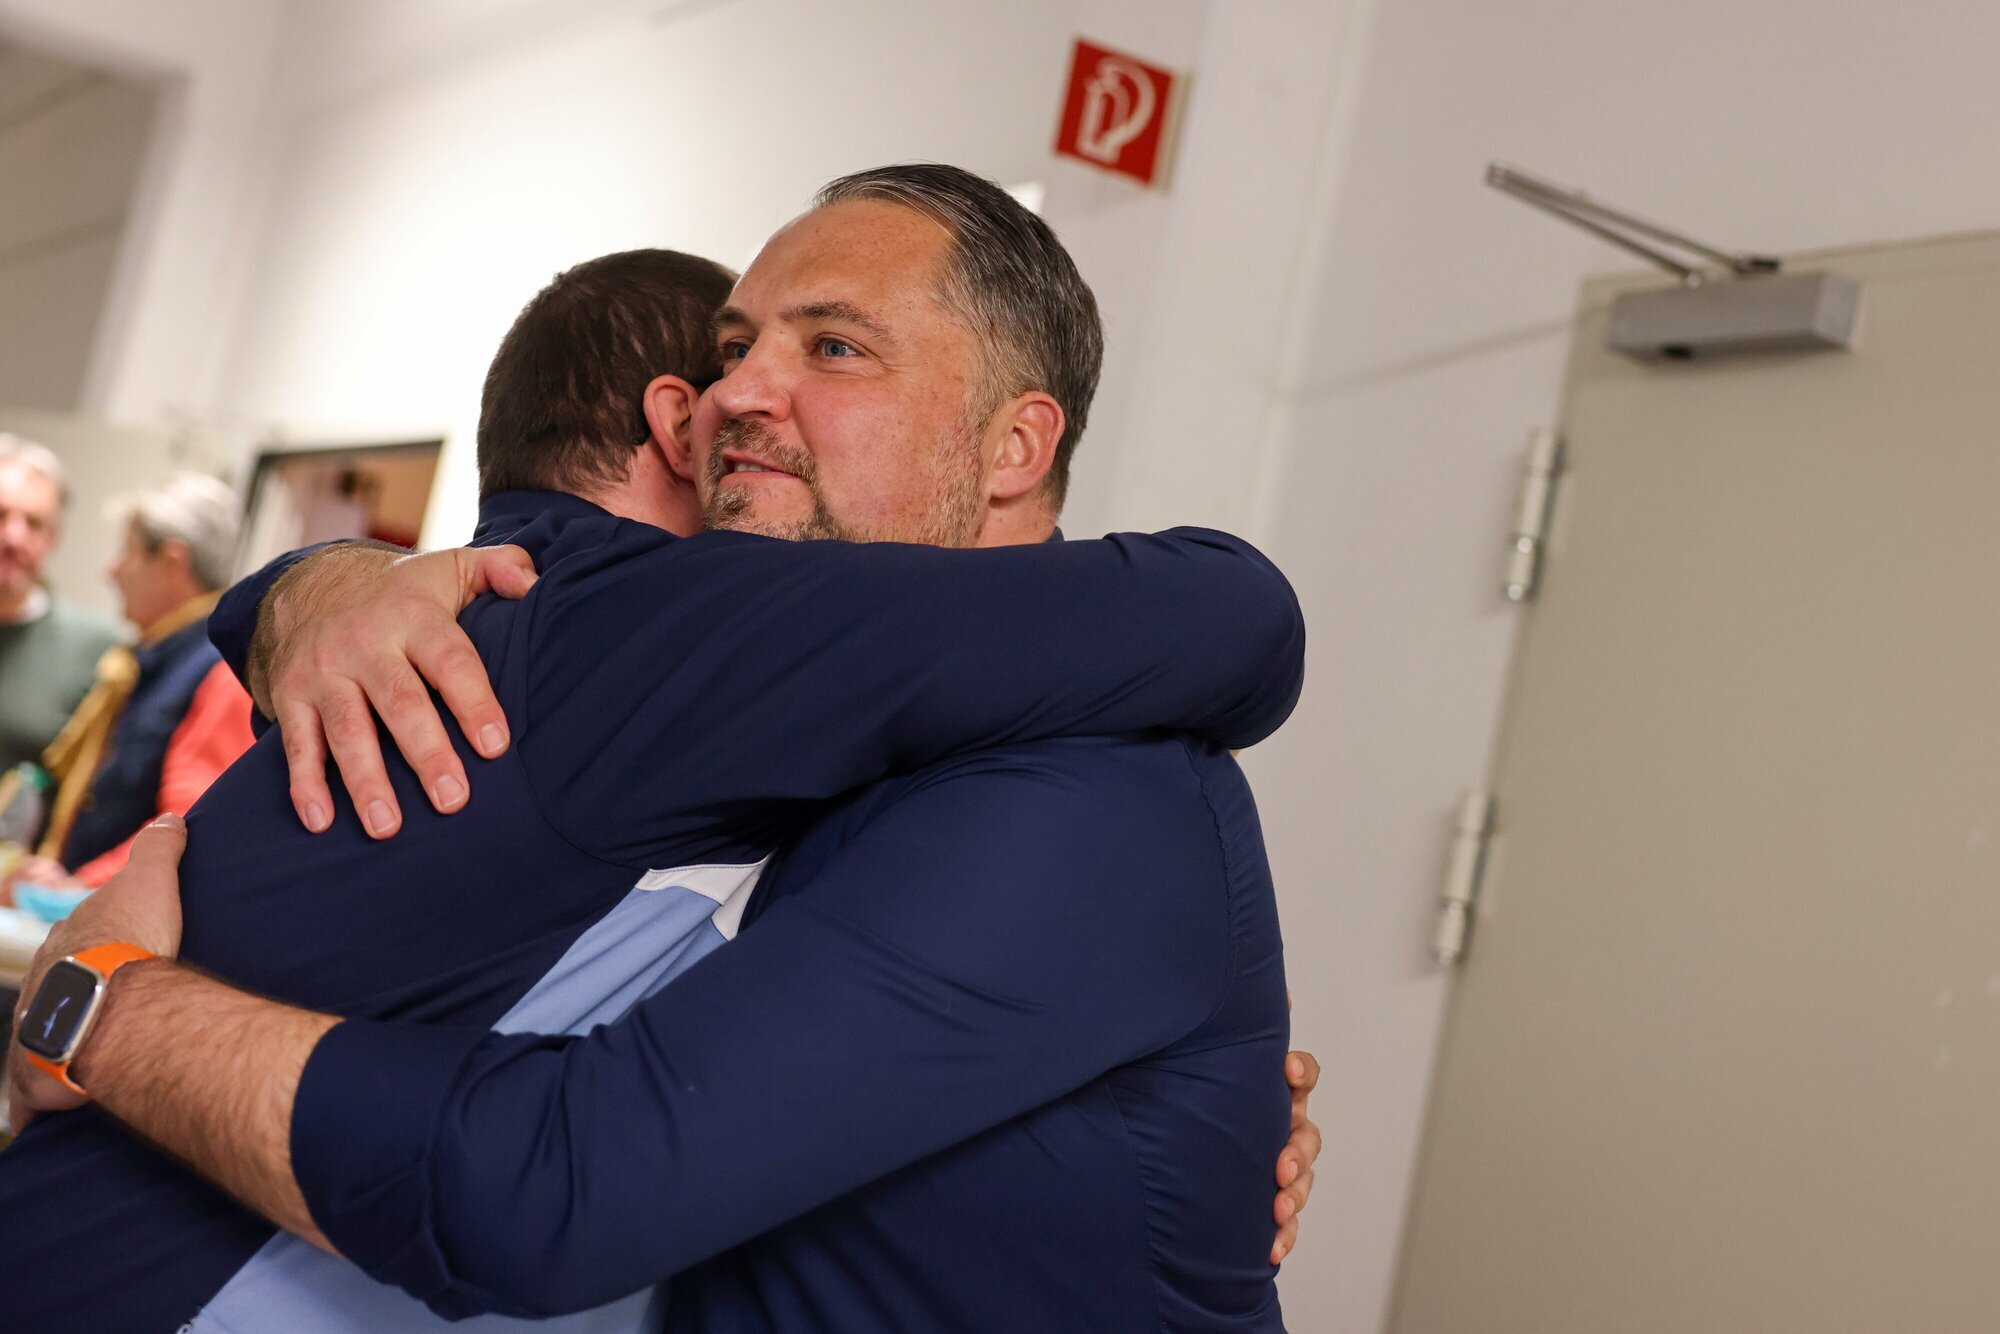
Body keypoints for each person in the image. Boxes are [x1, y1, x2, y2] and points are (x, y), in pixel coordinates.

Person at [3, 215, 1316, 1332]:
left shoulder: (1073, 789)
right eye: (733, 349)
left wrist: (97, 1002)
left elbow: (1235, 618)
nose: (740, 393)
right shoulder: (683, 665)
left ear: (1016, 446)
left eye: (833, 346)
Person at [1, 474, 253, 902]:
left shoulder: (220, 671)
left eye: (128, 553)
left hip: (116, 915)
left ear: (171, 561)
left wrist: (78, 886)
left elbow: (189, 821)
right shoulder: (148, 659)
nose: (112, 570)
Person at [0, 436, 120, 777]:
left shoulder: (98, 648)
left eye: (34, 523)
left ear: (53, 539)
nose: (13, 538)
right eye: (1, 515)